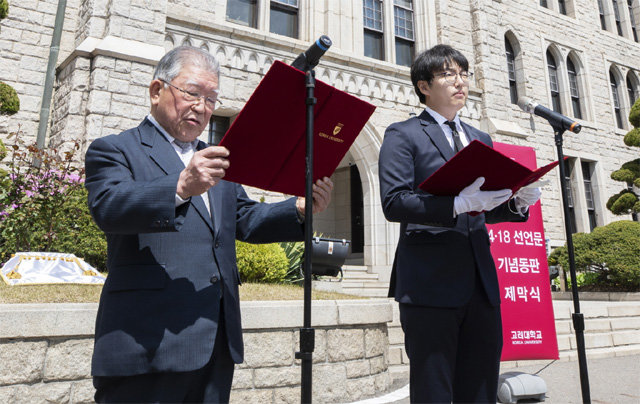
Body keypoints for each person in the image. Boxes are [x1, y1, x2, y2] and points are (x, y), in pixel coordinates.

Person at [85, 45, 333, 403]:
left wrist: (297, 209)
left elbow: (245, 220)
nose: (202, 108)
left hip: (215, 342)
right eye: (192, 93)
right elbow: (108, 208)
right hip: (148, 344)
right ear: (157, 91)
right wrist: (181, 187)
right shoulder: (116, 149)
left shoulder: (217, 160)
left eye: (212, 99)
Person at [378, 44, 541, 403]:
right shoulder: (403, 134)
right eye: (448, 74)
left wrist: (516, 205)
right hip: (429, 285)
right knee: (435, 390)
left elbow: (483, 206)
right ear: (424, 85)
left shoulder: (479, 138)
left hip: (481, 285)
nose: (460, 82)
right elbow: (394, 202)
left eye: (464, 74)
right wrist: (456, 203)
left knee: (482, 388)